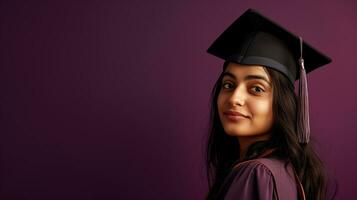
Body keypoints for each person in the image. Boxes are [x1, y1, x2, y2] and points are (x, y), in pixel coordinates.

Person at [205, 9, 336, 200]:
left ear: (282, 104)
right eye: (228, 84)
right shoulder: (284, 170)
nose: (234, 98)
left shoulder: (256, 174)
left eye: (256, 89)